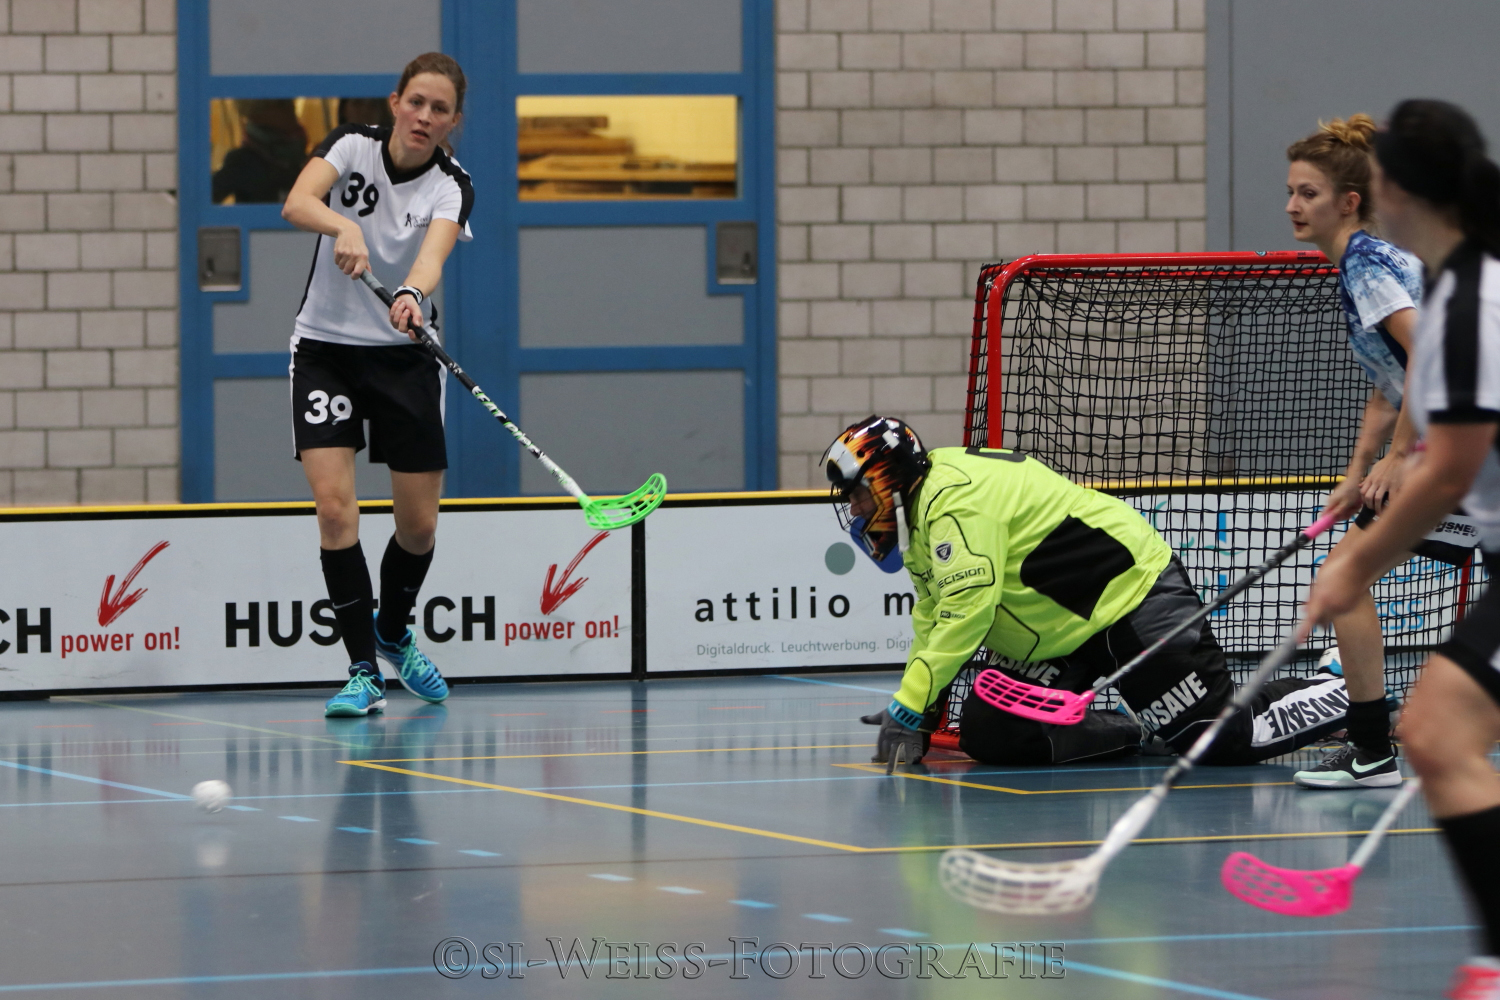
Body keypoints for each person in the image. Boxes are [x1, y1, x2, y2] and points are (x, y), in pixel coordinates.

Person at [823, 416, 1351, 769]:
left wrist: (909, 706)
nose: (855, 510)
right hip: (1060, 630)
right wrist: (920, 705)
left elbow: (967, 613)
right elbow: (934, 614)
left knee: (1217, 739)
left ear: (889, 481)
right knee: (994, 733)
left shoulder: (954, 504)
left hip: (1130, 598)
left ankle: (1344, 687)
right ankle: (1138, 729)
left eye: (858, 496)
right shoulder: (921, 513)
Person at [1303, 99, 1500, 1000]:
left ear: (1394, 191)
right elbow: (1399, 393)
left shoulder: (1452, 297)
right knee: (1438, 730)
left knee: (1440, 729)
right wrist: (1366, 472)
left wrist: (1358, 557)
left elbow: (1446, 459)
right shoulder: (1450, 281)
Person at [280, 52, 474, 718]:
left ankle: (393, 630)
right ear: (396, 103)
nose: (424, 117)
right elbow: (297, 201)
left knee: (417, 527)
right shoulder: (351, 145)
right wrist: (344, 224)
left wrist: (413, 293)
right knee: (336, 510)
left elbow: (433, 255)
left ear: (453, 122)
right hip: (325, 351)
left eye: (439, 109)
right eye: (415, 102)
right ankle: (362, 670)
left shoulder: (452, 185)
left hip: (404, 355)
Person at [1283, 116, 1438, 790]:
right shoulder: (1368, 261)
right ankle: (1373, 749)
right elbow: (1389, 385)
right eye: (1291, 192)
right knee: (1346, 579)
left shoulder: (1369, 264)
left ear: (1348, 202)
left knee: (1344, 580)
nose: (1293, 206)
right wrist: (1356, 475)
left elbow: (1429, 352)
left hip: (1466, 442)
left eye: (1308, 193)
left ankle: (1373, 751)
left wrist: (1398, 457)